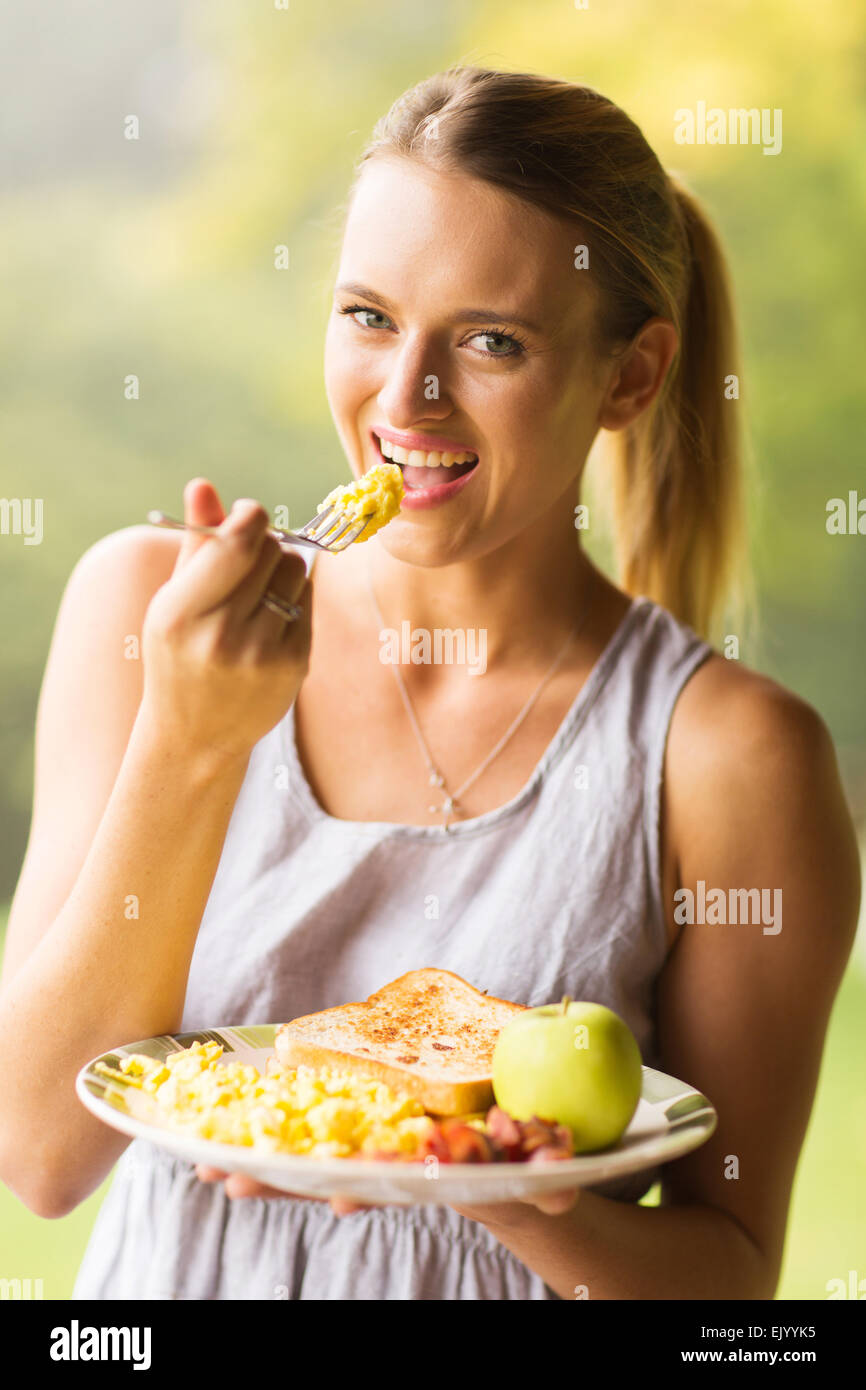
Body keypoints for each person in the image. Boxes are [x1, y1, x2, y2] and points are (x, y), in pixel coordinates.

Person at [0, 66, 859, 1301]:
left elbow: (725, 1281)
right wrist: (189, 744)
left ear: (629, 376)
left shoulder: (727, 756)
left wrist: (466, 1170)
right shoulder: (144, 614)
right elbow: (38, 1153)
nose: (406, 397)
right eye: (368, 317)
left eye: (491, 341)